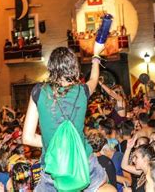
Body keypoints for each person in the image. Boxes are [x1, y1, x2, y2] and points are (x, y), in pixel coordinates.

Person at [22, 43, 107, 191]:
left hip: (54, 171)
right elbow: (94, 79)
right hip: (85, 166)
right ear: (74, 67)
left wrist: (57, 144)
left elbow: (27, 138)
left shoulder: (39, 92)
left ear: (51, 67)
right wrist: (95, 56)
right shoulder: (82, 91)